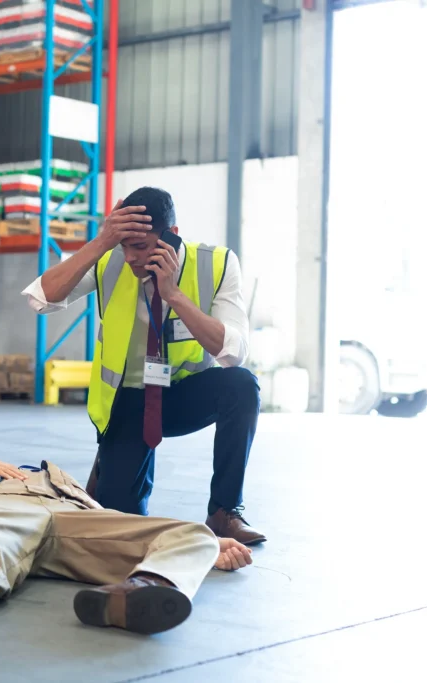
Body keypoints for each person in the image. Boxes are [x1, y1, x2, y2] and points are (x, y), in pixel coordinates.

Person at [21, 186, 265, 545]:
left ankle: (224, 512)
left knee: (242, 385)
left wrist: (174, 295)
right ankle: (110, 463)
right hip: (129, 404)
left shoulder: (217, 264)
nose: (131, 257)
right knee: (119, 531)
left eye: (141, 246)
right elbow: (40, 300)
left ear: (172, 236)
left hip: (184, 397)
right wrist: (102, 242)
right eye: (125, 246)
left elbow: (233, 353)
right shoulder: (109, 260)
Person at [0, 459, 253, 641]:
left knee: (194, 532)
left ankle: (146, 586)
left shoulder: (68, 485)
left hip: (74, 516)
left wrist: (206, 549)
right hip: (4, 505)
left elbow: (127, 529)